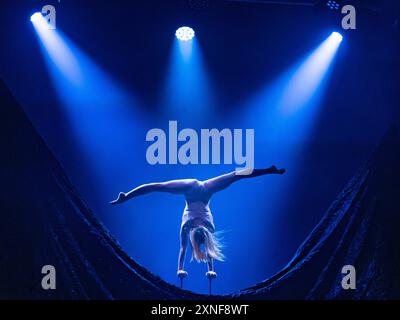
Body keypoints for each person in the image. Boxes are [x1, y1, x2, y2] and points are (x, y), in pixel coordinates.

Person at [110, 165, 286, 281]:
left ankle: (269, 170)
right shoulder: (208, 229)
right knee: (235, 175)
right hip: (203, 190)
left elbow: (184, 250)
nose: (201, 225)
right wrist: (209, 269)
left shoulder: (188, 227)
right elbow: (206, 251)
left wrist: (180, 269)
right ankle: (126, 196)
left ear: (196, 232)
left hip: (194, 190)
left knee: (160, 187)